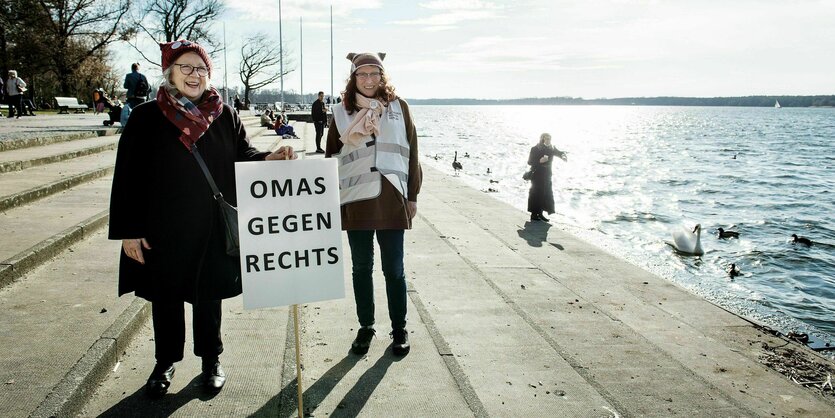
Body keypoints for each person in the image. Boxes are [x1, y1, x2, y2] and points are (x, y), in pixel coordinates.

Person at [108, 39, 297, 399]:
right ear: (170, 73)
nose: (195, 75)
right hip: (161, 227)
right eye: (186, 68)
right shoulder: (147, 116)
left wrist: (270, 158)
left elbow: (243, 155)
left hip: (211, 225)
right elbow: (127, 176)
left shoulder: (224, 114)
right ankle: (164, 362)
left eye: (201, 69)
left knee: (209, 296)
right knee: (165, 297)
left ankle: (211, 361)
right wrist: (128, 231)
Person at [325, 52, 422, 357]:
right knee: (361, 268)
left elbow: (413, 151)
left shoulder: (399, 107)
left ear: (382, 76)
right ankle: (366, 327)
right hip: (356, 201)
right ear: (353, 78)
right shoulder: (340, 112)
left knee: (394, 269)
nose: (368, 80)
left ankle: (399, 328)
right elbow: (329, 159)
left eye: (374, 74)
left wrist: (413, 195)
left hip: (392, 198)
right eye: (361, 74)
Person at [526, 133, 565, 222]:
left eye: (549, 138)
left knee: (545, 194)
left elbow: (559, 153)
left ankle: (540, 213)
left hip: (547, 175)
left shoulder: (551, 148)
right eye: (546, 138)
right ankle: (534, 214)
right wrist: (539, 161)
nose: (548, 140)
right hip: (537, 175)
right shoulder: (535, 149)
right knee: (536, 194)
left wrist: (563, 156)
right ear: (542, 139)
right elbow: (530, 162)